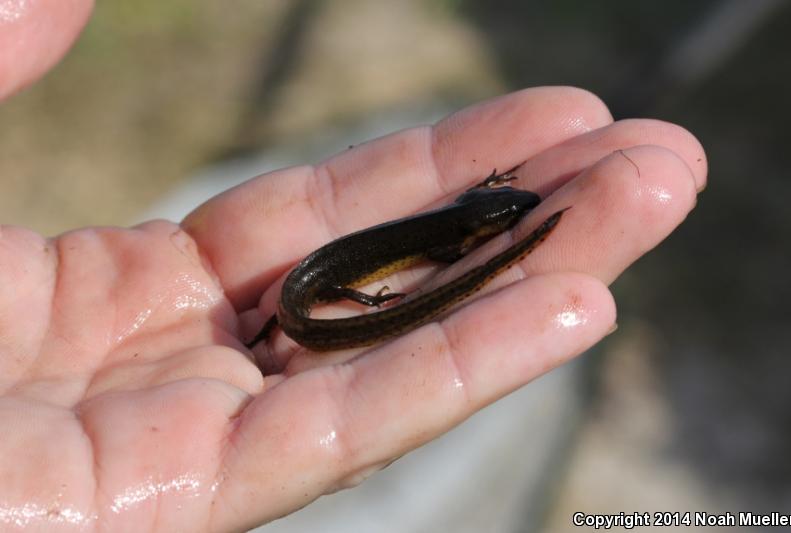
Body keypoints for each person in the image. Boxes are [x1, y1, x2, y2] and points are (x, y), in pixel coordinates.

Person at [0, 3, 707, 531]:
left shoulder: (461, 219)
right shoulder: (453, 235)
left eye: (509, 213)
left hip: (323, 283)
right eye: (507, 212)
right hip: (323, 287)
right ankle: (352, 314)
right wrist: (373, 305)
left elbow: (461, 216)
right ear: (483, 214)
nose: (509, 212)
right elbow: (448, 236)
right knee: (340, 305)